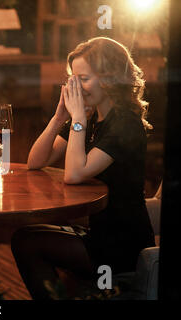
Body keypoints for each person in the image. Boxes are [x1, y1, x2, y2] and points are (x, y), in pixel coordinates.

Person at [11, 37, 155, 300]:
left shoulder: (125, 124)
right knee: (26, 235)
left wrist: (77, 118)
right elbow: (36, 161)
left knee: (27, 242)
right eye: (72, 79)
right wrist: (59, 118)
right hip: (98, 232)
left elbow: (75, 174)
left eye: (84, 78)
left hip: (121, 245)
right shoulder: (90, 117)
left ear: (109, 79)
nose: (76, 87)